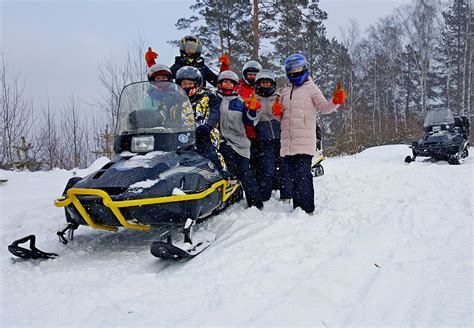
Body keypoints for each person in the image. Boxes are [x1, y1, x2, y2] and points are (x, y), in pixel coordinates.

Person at [277, 53, 345, 214]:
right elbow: (281, 116)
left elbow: (324, 107)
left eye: (297, 69)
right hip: (288, 141)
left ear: (304, 68)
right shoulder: (285, 91)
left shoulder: (311, 88)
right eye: (291, 70)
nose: (294, 73)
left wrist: (336, 101)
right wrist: (276, 111)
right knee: (292, 176)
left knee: (303, 176)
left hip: (305, 140)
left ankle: (307, 209)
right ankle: (297, 208)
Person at [215, 70, 263, 209]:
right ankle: (229, 198)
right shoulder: (214, 99)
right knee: (227, 169)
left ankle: (255, 203)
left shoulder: (240, 102)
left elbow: (250, 122)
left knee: (245, 171)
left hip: (240, 141)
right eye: (225, 81)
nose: (227, 84)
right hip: (221, 140)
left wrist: (253, 111)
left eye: (230, 82)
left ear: (235, 85)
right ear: (220, 83)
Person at [253, 69, 291, 202]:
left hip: (280, 136)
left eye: (268, 83)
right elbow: (250, 120)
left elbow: (288, 115)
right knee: (267, 168)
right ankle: (265, 196)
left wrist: (280, 112)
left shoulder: (278, 97)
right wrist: (252, 110)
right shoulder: (254, 98)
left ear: (272, 84)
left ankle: (286, 195)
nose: (265, 85)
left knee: (284, 167)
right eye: (262, 82)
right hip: (264, 138)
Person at [175, 66, 223, 170]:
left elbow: (214, 111)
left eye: (190, 83)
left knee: (210, 154)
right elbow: (166, 114)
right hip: (180, 136)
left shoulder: (208, 96)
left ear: (197, 83)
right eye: (184, 84)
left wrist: (208, 126)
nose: (187, 86)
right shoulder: (176, 100)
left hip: (205, 134)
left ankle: (222, 174)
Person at [237, 60, 263, 179]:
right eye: (250, 75)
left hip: (259, 130)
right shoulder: (239, 88)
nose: (252, 77)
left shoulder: (263, 86)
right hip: (242, 130)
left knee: (259, 161)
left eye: (255, 75)